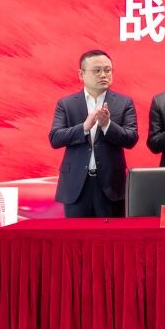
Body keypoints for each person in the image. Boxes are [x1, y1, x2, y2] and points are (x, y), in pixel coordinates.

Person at [49, 49, 138, 218]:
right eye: (97, 71)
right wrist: (84, 127)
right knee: (76, 234)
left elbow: (131, 138)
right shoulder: (66, 104)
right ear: (81, 74)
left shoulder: (124, 102)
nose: (103, 75)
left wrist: (107, 125)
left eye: (107, 70)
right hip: (76, 185)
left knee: (111, 234)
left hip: (111, 185)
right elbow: (55, 138)